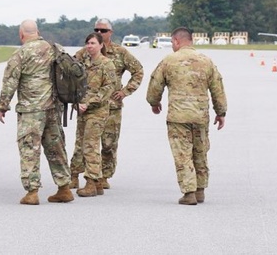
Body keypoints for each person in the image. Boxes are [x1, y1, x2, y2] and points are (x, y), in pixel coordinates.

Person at [146, 26, 227, 205]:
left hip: (178, 117)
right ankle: (200, 190)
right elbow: (217, 88)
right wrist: (220, 112)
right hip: (200, 116)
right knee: (200, 152)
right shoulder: (207, 61)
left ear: (175, 41)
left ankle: (189, 192)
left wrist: (154, 102)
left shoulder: (169, 61)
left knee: (182, 154)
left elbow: (155, 85)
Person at [0, 19, 74, 205]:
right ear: (38, 32)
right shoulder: (55, 48)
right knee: (56, 147)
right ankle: (64, 187)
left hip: (31, 110)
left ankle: (32, 192)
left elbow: (10, 82)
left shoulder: (21, 53)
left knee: (29, 149)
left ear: (21, 34)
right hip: (54, 108)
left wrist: (3, 106)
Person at [69, 31, 120, 197]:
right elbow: (76, 85)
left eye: (93, 43)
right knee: (83, 144)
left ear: (101, 45)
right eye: (88, 43)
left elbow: (109, 88)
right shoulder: (83, 64)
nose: (89, 46)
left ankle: (90, 182)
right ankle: (97, 181)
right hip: (82, 110)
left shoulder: (107, 64)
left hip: (98, 111)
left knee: (90, 145)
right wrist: (77, 102)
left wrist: (89, 102)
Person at [96, 18, 144, 189]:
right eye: (97, 30)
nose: (99, 33)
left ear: (110, 32)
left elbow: (138, 71)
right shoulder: (88, 50)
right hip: (91, 106)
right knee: (87, 143)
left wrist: (125, 91)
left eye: (103, 30)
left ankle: (104, 175)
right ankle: (89, 175)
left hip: (112, 106)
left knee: (109, 144)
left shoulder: (120, 52)